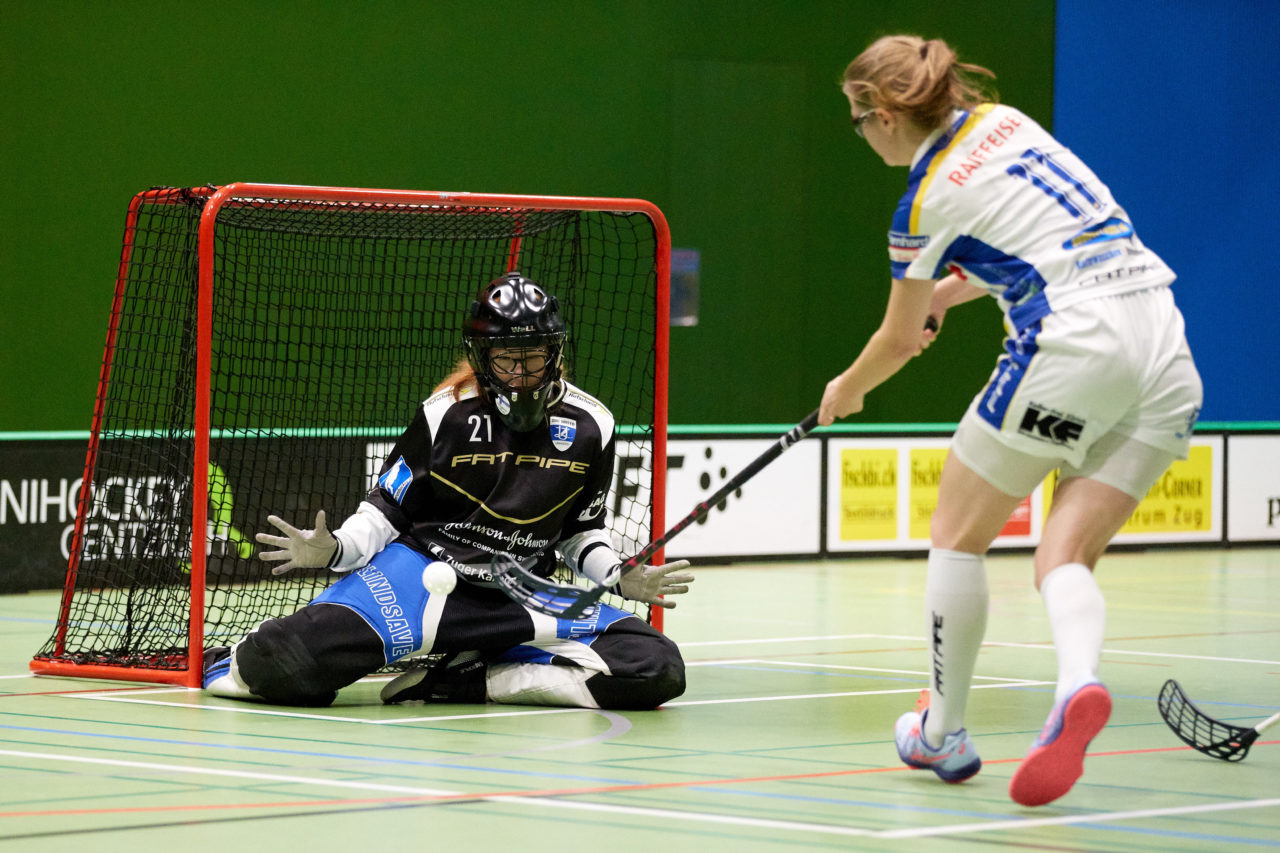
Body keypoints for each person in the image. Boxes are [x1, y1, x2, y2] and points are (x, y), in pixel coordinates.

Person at [820, 35, 1202, 806]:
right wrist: (951, 294)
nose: (862, 138)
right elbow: (1048, 244)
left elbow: (896, 341)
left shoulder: (922, 203)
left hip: (1073, 344)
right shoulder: (1004, 120)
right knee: (1064, 549)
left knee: (958, 533)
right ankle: (1076, 682)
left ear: (886, 114)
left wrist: (848, 388)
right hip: (1162, 342)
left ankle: (942, 733)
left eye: (858, 122)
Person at [204, 271, 694, 711]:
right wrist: (336, 549)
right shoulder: (446, 414)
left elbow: (580, 532)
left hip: (525, 593)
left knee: (654, 668)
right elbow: (386, 511)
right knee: (280, 666)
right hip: (417, 579)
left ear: (555, 352)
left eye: (533, 358)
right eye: (506, 360)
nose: (521, 375)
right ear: (484, 358)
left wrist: (618, 576)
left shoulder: (593, 425)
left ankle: (464, 680)